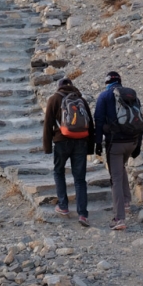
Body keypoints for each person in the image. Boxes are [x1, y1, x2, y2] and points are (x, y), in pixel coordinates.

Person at [94, 71, 143, 231]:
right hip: (132, 142)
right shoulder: (132, 95)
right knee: (121, 168)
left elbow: (99, 121)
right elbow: (141, 122)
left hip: (115, 145)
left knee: (115, 178)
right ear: (120, 82)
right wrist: (138, 146)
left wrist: (96, 143)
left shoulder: (104, 97)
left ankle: (119, 218)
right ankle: (127, 202)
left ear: (107, 82)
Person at [43, 77, 94, 227]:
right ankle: (83, 214)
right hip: (81, 142)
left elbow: (48, 124)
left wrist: (47, 147)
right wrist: (90, 148)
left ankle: (63, 206)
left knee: (59, 172)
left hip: (61, 141)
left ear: (59, 88)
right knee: (80, 179)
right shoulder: (81, 100)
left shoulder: (54, 99)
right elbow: (90, 124)